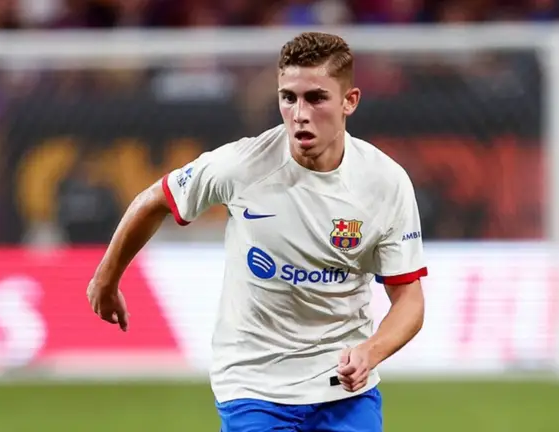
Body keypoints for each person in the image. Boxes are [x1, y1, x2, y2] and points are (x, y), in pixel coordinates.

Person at [87, 32, 427, 432]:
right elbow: (154, 200)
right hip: (253, 386)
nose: (299, 113)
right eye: (288, 98)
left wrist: (371, 351)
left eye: (315, 98)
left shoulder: (385, 183)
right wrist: (106, 278)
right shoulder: (243, 166)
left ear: (349, 101)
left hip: (343, 388)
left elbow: (409, 300)